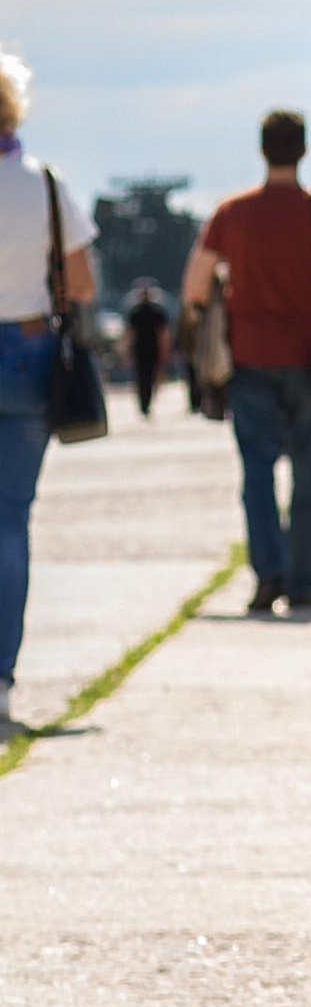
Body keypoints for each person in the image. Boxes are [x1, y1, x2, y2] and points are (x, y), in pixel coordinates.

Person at [183, 111, 311, 619]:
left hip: (248, 356)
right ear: (303, 151)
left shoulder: (231, 212)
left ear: (262, 150)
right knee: (310, 471)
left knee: (257, 471)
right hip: (310, 357)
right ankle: (305, 581)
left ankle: (269, 575)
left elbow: (196, 288)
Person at [0, 52, 96, 742]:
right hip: (31, 354)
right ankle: (1, 680)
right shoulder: (46, 185)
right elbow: (83, 283)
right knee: (10, 522)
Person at [121, 279, 171, 418]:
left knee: (143, 377)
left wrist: (125, 351)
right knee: (147, 377)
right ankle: (145, 404)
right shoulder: (153, 312)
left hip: (143, 349)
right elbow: (163, 334)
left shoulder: (139, 312)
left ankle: (144, 404)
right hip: (147, 349)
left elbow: (129, 334)